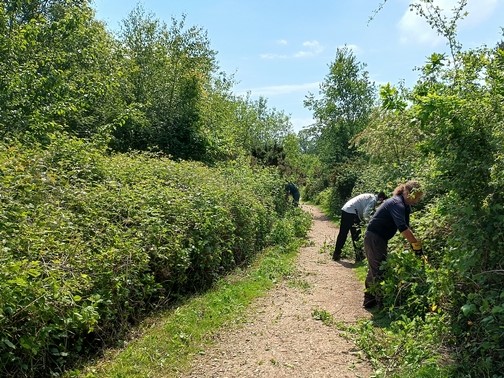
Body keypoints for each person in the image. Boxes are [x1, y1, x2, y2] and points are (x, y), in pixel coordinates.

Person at [362, 180, 424, 309]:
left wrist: (413, 243)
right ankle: (381, 303)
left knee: (376, 267)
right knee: (378, 269)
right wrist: (416, 245)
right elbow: (402, 228)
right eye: (416, 197)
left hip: (379, 238)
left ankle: (370, 300)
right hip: (375, 237)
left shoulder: (404, 206)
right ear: (407, 192)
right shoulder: (397, 204)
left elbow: (407, 226)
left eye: (419, 197)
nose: (417, 200)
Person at [333, 192, 387, 262]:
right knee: (356, 235)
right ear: (381, 199)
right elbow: (366, 213)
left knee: (343, 233)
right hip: (352, 212)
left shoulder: (370, 196)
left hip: (346, 209)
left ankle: (336, 254)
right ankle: (359, 256)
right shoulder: (373, 200)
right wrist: (370, 224)